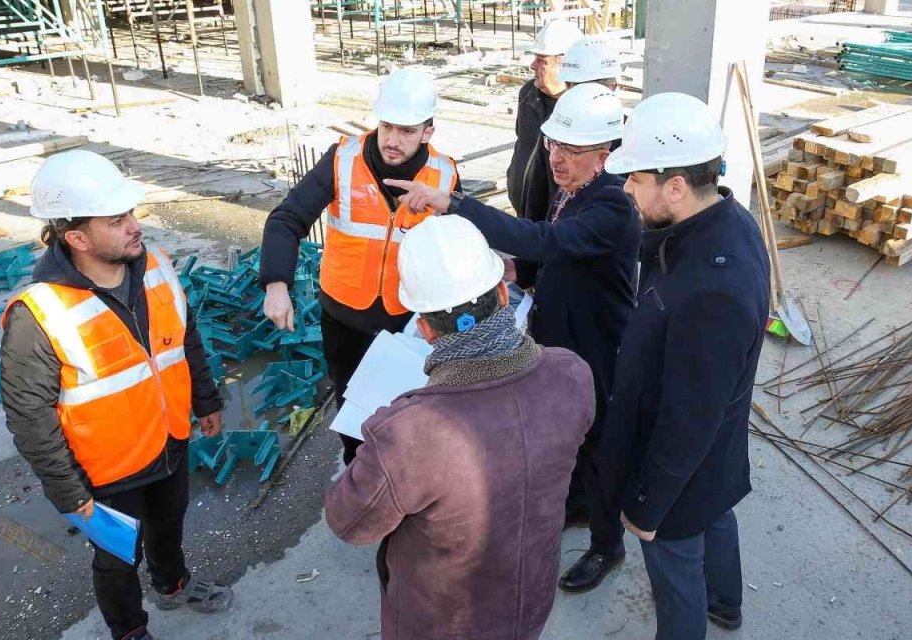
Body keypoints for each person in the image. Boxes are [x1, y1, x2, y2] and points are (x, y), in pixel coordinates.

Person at [386, 83, 639, 595]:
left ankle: (608, 544)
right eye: (553, 146)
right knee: (571, 437)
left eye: (571, 151)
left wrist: (453, 205)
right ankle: (578, 506)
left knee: (598, 442)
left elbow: (548, 240)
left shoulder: (612, 205)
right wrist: (511, 269)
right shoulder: (576, 192)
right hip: (559, 332)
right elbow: (549, 253)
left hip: (596, 346)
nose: (556, 160)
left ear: (605, 154)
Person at [324, 215, 595, 640]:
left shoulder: (407, 434)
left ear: (425, 328)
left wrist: (373, 446)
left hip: (443, 623)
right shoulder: (572, 376)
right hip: (531, 597)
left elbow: (350, 523)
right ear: (504, 294)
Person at [0, 150, 233, 640]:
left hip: (169, 438)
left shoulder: (157, 266)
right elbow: (29, 418)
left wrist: (206, 400)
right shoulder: (38, 314)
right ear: (77, 237)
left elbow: (184, 338)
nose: (134, 226)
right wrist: (70, 496)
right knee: (117, 558)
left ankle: (172, 584)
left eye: (130, 213)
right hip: (107, 470)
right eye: (116, 219)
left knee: (169, 524)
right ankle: (129, 631)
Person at [599, 92, 770, 640]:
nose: (625, 189)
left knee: (674, 568)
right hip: (713, 462)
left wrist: (646, 507)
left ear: (674, 186)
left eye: (635, 179)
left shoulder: (712, 288)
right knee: (717, 514)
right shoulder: (724, 218)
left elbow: (687, 420)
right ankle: (726, 604)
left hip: (680, 467)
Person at [259, 68, 460, 465]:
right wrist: (276, 284)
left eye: (406, 130)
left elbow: (453, 244)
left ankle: (402, 480)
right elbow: (286, 220)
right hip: (345, 316)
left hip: (408, 320)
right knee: (353, 408)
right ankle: (359, 477)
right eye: (386, 126)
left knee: (406, 411)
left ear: (427, 132)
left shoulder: (445, 175)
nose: (392, 139)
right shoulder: (342, 160)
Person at [507, 20, 583, 283]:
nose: (533, 66)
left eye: (542, 60)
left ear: (564, 64)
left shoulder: (579, 113)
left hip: (553, 229)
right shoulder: (529, 94)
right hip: (525, 216)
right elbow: (522, 143)